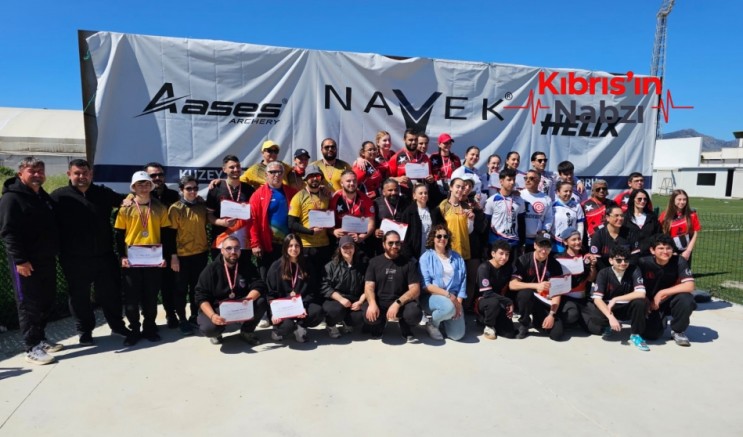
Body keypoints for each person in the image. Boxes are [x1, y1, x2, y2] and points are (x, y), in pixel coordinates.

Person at [51, 159, 130, 345]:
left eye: (85, 173)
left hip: (104, 255)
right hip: (74, 258)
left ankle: (117, 326)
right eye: (77, 173)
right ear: (69, 174)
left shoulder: (102, 193)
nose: (81, 176)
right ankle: (84, 330)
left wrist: (132, 199)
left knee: (111, 293)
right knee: (79, 296)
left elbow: (125, 200)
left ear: (91, 174)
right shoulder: (58, 197)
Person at [0, 157, 61, 364]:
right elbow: (8, 232)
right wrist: (20, 260)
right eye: (32, 171)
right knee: (28, 305)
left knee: (46, 301)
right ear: (20, 174)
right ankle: (31, 347)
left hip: (46, 259)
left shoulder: (42, 196)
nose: (37, 175)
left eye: (40, 171)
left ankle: (41, 338)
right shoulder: (11, 199)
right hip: (25, 262)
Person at [114, 171, 175, 346]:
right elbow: (119, 235)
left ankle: (149, 327)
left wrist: (164, 257)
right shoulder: (125, 208)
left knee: (150, 297)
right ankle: (134, 330)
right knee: (131, 299)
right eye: (139, 184)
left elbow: (166, 235)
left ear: (151, 186)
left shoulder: (159, 207)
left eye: (147, 184)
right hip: (131, 260)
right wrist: (122, 256)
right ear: (133, 187)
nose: (143, 187)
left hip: (153, 260)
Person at [194, 236, 268, 346]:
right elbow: (200, 296)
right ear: (222, 251)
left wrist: (247, 300)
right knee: (209, 328)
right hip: (218, 308)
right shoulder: (210, 270)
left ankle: (247, 331)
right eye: (229, 248)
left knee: (261, 301)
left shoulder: (247, 265)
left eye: (237, 248)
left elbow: (259, 285)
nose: (233, 251)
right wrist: (212, 316)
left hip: (242, 304)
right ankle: (217, 333)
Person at [585, 246, 650, 351]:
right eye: (619, 260)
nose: (623, 263)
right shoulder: (603, 273)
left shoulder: (634, 269)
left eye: (626, 260)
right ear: (611, 261)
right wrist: (610, 317)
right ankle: (608, 325)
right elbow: (597, 299)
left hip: (626, 307)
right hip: (609, 308)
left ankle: (635, 334)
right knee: (594, 318)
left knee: (640, 302)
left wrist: (615, 299)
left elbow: (641, 293)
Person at [363, 231, 423, 341]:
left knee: (414, 314)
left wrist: (397, 303)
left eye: (397, 243)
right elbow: (369, 286)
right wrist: (372, 304)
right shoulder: (374, 262)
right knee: (367, 314)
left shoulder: (409, 263)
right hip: (380, 303)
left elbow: (415, 289)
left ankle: (404, 326)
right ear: (383, 244)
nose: (394, 246)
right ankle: (380, 323)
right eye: (390, 243)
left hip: (401, 304)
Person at [168, 175, 210, 335]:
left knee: (196, 289)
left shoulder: (201, 206)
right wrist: (173, 257)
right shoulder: (175, 208)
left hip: (200, 254)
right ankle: (182, 320)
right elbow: (170, 236)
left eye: (195, 188)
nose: (192, 191)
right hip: (182, 256)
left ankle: (194, 316)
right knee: (180, 290)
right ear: (181, 190)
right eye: (188, 188)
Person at [638, 234, 696, 346]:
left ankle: (678, 331)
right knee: (652, 335)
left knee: (686, 299)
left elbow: (690, 286)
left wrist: (662, 292)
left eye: (668, 248)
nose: (665, 251)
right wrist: (646, 301)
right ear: (652, 250)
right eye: (661, 248)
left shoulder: (679, 261)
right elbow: (635, 286)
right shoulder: (643, 263)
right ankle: (657, 320)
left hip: (668, 300)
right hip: (650, 303)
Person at [266, 234, 325, 342]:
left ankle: (300, 327)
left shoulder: (307, 265)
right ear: (285, 247)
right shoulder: (276, 267)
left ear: (301, 247)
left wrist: (303, 306)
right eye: (290, 245)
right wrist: (274, 312)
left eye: (297, 245)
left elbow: (312, 291)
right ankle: (277, 331)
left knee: (318, 311)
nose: (294, 249)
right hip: (282, 307)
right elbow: (271, 293)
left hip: (300, 304)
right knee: (287, 327)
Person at [509, 232, 566, 340]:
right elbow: (512, 285)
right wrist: (536, 286)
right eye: (541, 246)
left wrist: (551, 315)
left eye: (547, 247)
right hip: (527, 299)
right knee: (525, 294)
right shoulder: (523, 260)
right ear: (535, 245)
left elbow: (557, 292)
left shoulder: (555, 264)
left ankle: (538, 320)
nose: (544, 251)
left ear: (551, 248)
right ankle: (524, 323)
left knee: (556, 334)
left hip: (545, 301)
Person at [145, 162, 180, 329]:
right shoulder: (140, 196)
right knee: (149, 288)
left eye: (160, 175)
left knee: (169, 285)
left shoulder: (173, 195)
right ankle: (149, 322)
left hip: (167, 247)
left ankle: (171, 314)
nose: (157, 178)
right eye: (153, 175)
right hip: (146, 249)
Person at [249, 161, 299, 279]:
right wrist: (255, 244)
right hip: (267, 244)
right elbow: (252, 221)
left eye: (279, 172)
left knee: (287, 276)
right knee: (267, 277)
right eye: (272, 172)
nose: (276, 175)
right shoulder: (257, 195)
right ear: (266, 174)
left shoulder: (292, 193)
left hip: (288, 244)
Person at [418, 225, 467, 341]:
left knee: (457, 335)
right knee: (449, 307)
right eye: (439, 236)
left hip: (453, 299)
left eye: (445, 236)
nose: (442, 239)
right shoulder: (426, 257)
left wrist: (459, 303)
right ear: (433, 238)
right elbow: (426, 285)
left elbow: (463, 281)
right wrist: (449, 296)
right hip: (431, 297)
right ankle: (432, 324)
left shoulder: (457, 258)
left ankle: (444, 320)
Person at [288, 164, 333, 285]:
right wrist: (311, 231)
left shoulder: (326, 195)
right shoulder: (299, 197)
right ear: (305, 179)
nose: (314, 179)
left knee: (324, 279)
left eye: (317, 176)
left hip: (324, 245)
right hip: (307, 246)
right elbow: (291, 224)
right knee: (308, 279)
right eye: (311, 176)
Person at [206, 155, 255, 261]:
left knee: (243, 270)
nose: (236, 169)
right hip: (221, 240)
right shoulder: (216, 189)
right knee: (221, 270)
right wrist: (221, 222)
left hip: (243, 243)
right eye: (232, 167)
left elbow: (254, 215)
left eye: (238, 166)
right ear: (224, 169)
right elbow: (209, 215)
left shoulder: (249, 189)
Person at [321, 235, 368, 338]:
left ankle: (347, 321)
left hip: (354, 299)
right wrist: (341, 299)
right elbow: (325, 286)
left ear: (355, 248)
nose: (348, 250)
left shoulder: (362, 265)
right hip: (336, 300)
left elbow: (368, 286)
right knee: (334, 311)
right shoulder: (331, 266)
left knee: (359, 317)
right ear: (339, 249)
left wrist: (360, 302)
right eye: (344, 247)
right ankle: (331, 325)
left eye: (350, 246)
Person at [553, 227, 597, 335]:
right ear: (565, 242)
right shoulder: (557, 258)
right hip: (566, 298)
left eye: (579, 239)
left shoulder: (585, 257)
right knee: (571, 315)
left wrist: (592, 265)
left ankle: (581, 319)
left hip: (583, 298)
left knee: (597, 327)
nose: (577, 242)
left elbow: (591, 279)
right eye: (573, 239)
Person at [476, 241, 517, 340]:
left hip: (499, 301)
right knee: (493, 302)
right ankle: (488, 325)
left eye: (507, 254)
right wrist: (508, 301)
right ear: (493, 254)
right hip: (484, 301)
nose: (504, 257)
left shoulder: (507, 268)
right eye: (501, 253)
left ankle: (494, 320)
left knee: (510, 333)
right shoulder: (484, 268)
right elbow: (487, 293)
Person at [484, 168, 526, 251]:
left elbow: (521, 223)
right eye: (509, 180)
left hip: (513, 243)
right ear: (501, 181)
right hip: (496, 243)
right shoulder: (492, 200)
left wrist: (522, 243)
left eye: (514, 180)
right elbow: (486, 224)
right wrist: (485, 245)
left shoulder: (519, 200)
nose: (512, 182)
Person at [329, 170, 375, 246]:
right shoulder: (335, 198)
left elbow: (371, 223)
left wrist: (361, 237)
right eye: (348, 181)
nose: (352, 183)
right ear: (341, 183)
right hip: (341, 241)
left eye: (354, 181)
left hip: (359, 240)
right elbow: (328, 222)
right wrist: (333, 231)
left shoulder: (365, 199)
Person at [588, 205, 637, 271]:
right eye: (616, 215)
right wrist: (610, 273)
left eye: (622, 215)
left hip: (626, 269)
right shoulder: (598, 235)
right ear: (607, 217)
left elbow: (635, 256)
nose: (620, 218)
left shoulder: (630, 233)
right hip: (605, 271)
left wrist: (624, 270)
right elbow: (597, 259)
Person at [388, 128, 434, 197]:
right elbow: (387, 179)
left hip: (421, 196)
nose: (413, 142)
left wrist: (431, 179)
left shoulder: (424, 157)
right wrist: (397, 179)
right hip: (404, 195)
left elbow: (429, 176)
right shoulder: (396, 157)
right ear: (404, 140)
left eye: (415, 140)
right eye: (410, 140)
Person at [659, 189, 701, 266]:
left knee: (684, 272)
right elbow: (662, 235)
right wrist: (670, 251)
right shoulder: (664, 216)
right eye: (679, 199)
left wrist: (688, 251)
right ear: (673, 200)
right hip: (670, 251)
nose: (682, 202)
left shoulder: (692, 215)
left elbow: (695, 234)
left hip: (686, 251)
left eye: (684, 199)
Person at [400, 183, 441, 260]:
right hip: (415, 253)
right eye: (421, 193)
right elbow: (405, 236)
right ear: (414, 196)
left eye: (426, 193)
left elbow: (440, 227)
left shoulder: (434, 210)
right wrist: (409, 255)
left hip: (432, 250)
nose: (424, 195)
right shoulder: (408, 212)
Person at [372, 178, 409, 255]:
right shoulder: (376, 204)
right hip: (382, 247)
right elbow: (371, 223)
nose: (393, 193)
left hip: (401, 245)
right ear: (383, 192)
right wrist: (375, 231)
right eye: (390, 190)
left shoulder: (405, 201)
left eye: (396, 190)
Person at [520, 169, 554, 252]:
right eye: (526, 178)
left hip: (537, 240)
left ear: (539, 181)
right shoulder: (519, 195)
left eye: (531, 178)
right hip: (521, 238)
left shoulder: (546, 198)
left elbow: (549, 217)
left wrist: (544, 230)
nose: (528, 180)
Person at [623, 188, 661, 257]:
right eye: (639, 199)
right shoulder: (625, 217)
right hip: (629, 255)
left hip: (648, 255)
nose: (642, 201)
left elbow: (658, 235)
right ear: (633, 199)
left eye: (645, 199)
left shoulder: (652, 217)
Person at [551, 180, 585, 253]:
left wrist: (579, 241)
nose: (568, 193)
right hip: (555, 243)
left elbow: (580, 225)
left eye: (570, 191)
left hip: (572, 244)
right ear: (558, 192)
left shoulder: (577, 206)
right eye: (565, 191)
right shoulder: (551, 205)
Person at [430, 133, 461, 197]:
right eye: (445, 143)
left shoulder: (455, 158)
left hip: (451, 189)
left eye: (450, 143)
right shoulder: (433, 157)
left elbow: (459, 175)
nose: (448, 145)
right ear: (439, 144)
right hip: (436, 189)